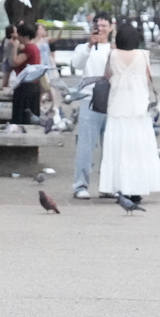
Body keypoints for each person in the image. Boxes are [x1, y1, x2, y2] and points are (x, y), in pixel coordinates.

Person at [98, 23, 160, 204]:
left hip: (118, 107)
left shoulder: (112, 55)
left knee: (119, 150)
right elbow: (148, 79)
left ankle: (121, 188)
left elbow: (106, 76)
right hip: (139, 108)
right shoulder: (143, 55)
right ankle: (137, 189)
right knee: (138, 149)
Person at [66, 14, 114, 198]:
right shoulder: (83, 48)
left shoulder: (114, 49)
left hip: (111, 101)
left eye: (104, 25)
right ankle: (80, 185)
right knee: (86, 145)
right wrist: (89, 45)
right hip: (89, 99)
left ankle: (108, 186)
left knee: (110, 147)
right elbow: (76, 64)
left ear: (110, 27)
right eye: (97, 25)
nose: (100, 29)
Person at [10, 21, 44, 126]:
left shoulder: (29, 48)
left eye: (19, 35)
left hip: (26, 86)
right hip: (34, 84)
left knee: (22, 115)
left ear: (25, 36)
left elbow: (15, 62)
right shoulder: (34, 47)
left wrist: (14, 48)